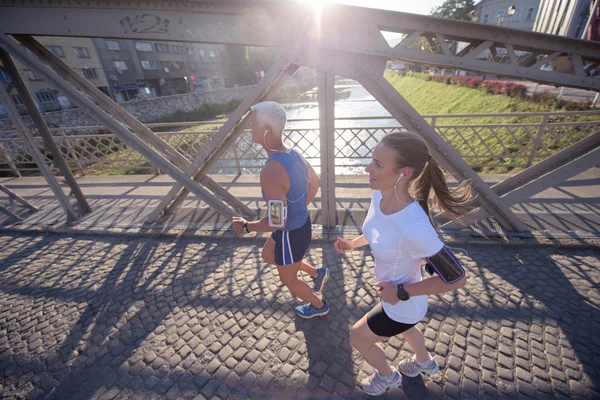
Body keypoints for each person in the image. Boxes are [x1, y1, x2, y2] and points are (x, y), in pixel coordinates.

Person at [334, 131, 472, 396]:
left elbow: (457, 278)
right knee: (409, 330)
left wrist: (400, 292)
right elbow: (378, 231)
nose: (367, 168)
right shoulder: (380, 196)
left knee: (357, 336)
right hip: (399, 299)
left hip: (403, 303)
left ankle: (387, 377)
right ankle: (425, 363)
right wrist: (353, 244)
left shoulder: (414, 226)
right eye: (371, 161)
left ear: (403, 173)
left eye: (377, 164)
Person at [232, 101, 330, 318]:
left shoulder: (271, 170)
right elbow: (315, 182)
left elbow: (277, 222)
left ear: (267, 130)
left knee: (289, 281)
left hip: (289, 234)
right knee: (268, 254)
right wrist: (297, 208)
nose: (250, 128)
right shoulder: (295, 154)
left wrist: (246, 227)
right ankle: (317, 273)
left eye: (253, 123)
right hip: (299, 226)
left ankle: (319, 305)